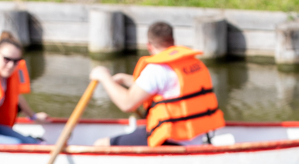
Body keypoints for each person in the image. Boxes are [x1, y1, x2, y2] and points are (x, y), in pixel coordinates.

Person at [90, 21, 226, 147]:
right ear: (173, 41)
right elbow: (171, 88)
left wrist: (104, 76)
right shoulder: (194, 63)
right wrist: (127, 79)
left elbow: (127, 104)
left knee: (101, 144)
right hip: (197, 135)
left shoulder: (157, 69)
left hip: (170, 139)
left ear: (149, 45)